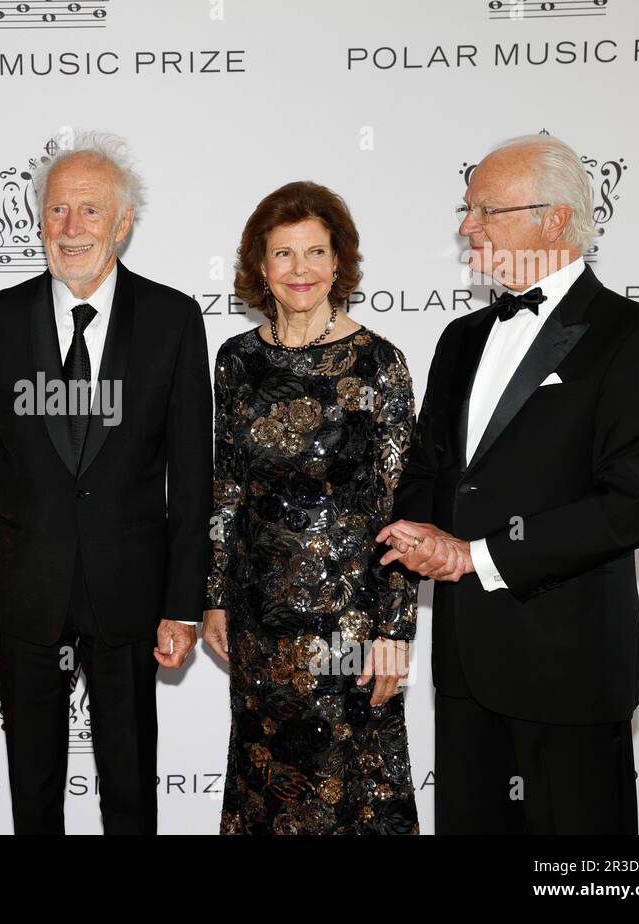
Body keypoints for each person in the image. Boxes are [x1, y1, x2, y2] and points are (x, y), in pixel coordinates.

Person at [378, 134, 639, 834]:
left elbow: (629, 505)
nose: (466, 227)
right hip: (464, 672)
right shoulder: (460, 338)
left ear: (554, 220)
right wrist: (418, 531)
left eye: (486, 210)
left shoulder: (636, 338)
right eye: (466, 209)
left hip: (568, 668)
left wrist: (475, 556)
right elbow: (430, 469)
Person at [0, 131, 212, 834]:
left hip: (130, 591)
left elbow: (192, 482)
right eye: (58, 210)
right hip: (22, 588)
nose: (72, 229)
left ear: (123, 225)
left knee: (131, 785)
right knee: (32, 788)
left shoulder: (173, 320)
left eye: (91, 212)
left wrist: (184, 606)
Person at [204, 181, 420, 835]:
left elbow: (398, 508)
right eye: (284, 254)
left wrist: (395, 632)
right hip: (259, 619)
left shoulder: (381, 363)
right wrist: (214, 594)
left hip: (349, 621)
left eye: (315, 252)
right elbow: (228, 487)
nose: (301, 270)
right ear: (260, 266)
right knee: (267, 782)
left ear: (338, 261)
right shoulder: (236, 360)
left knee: (346, 790)